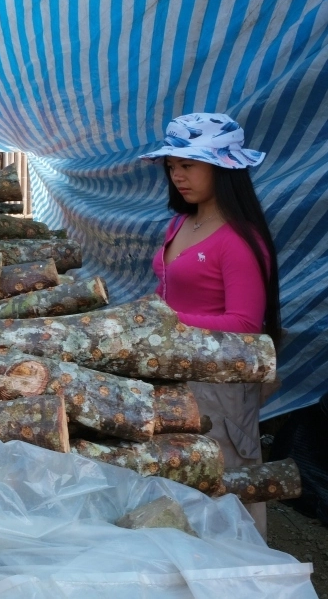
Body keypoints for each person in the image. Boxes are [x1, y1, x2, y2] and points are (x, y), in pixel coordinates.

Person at [141, 112, 281, 537]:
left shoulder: (239, 239)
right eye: (172, 167)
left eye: (188, 165)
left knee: (225, 480)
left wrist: (164, 321)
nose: (177, 175)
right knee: (180, 477)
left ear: (223, 167)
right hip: (176, 374)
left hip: (220, 386)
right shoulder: (182, 222)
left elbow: (243, 324)